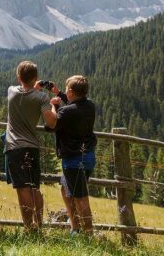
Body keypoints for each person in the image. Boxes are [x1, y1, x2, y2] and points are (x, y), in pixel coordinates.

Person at [4, 61, 57, 229]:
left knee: (22, 188)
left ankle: (29, 227)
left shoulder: (11, 91)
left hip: (14, 147)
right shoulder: (41, 97)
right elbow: (51, 122)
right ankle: (39, 224)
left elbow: (25, 90)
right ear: (35, 77)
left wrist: (34, 86)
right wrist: (54, 106)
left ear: (18, 77)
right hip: (32, 146)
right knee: (34, 187)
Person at [46, 75, 97, 235]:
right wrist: (59, 93)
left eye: (66, 89)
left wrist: (54, 105)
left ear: (72, 92)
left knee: (81, 198)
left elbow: (51, 124)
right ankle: (75, 228)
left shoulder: (66, 111)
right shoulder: (89, 105)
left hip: (73, 161)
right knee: (66, 189)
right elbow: (74, 106)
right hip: (88, 156)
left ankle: (88, 234)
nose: (65, 90)